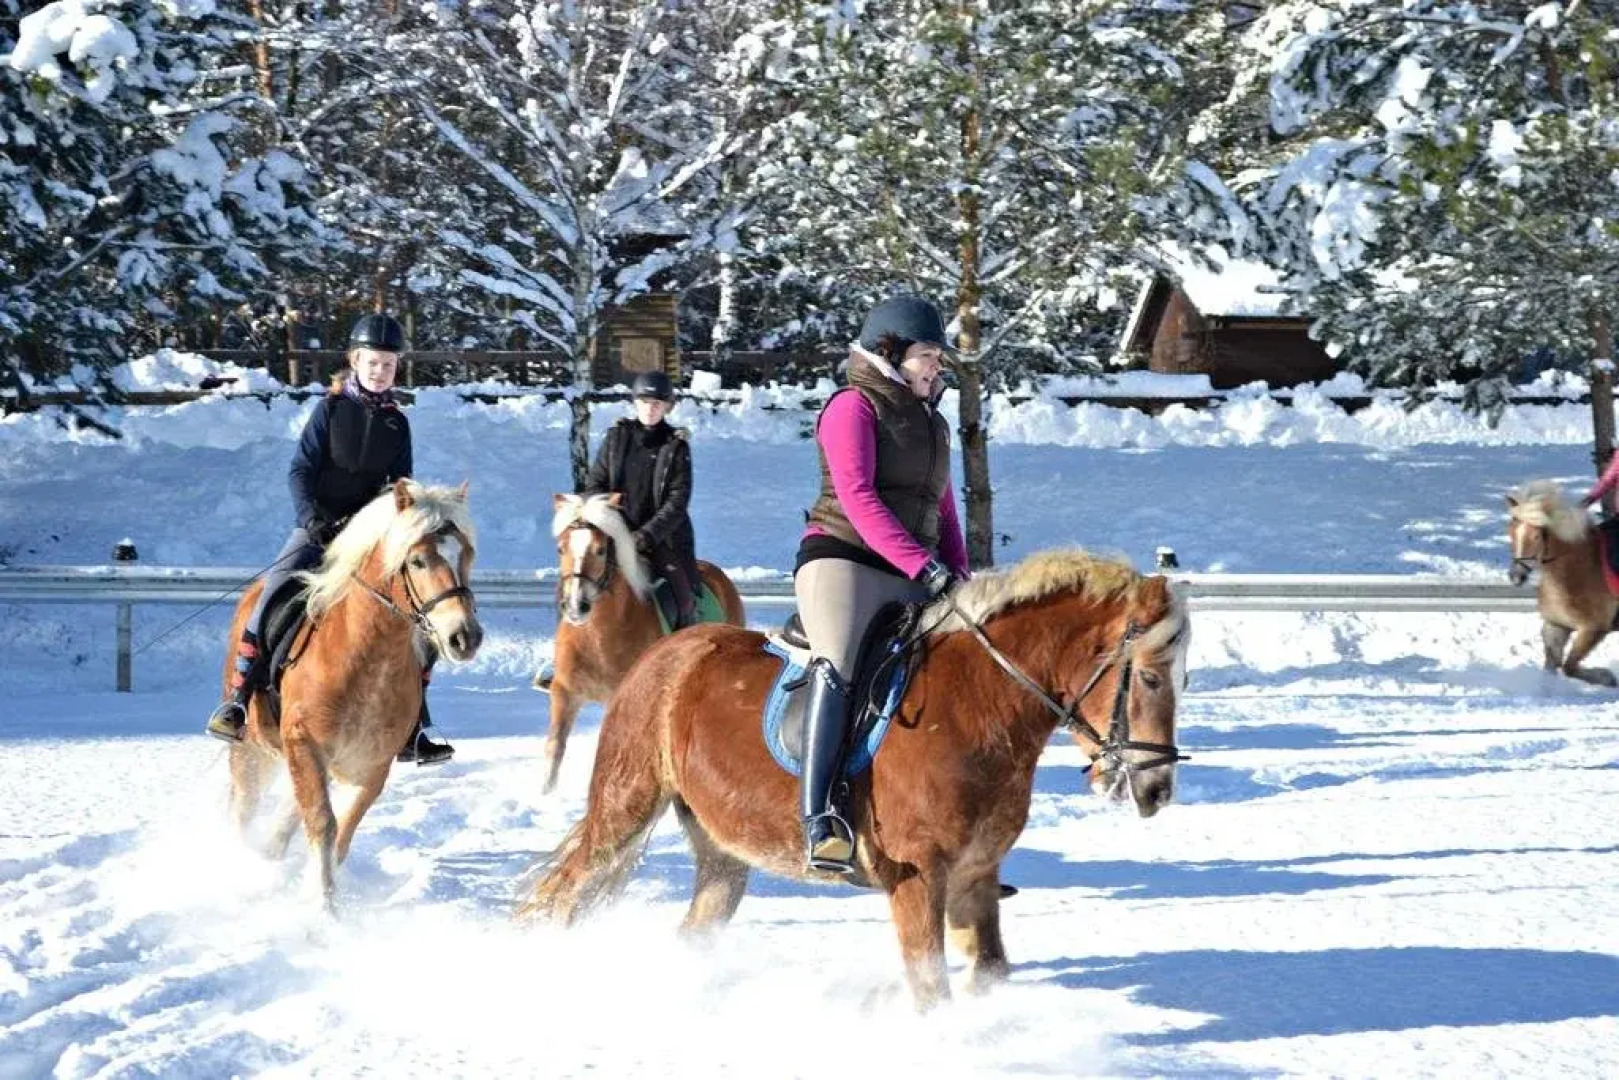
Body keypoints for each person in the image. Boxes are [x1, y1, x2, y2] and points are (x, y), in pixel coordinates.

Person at [204, 313, 454, 765]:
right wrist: (312, 517)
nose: (381, 371)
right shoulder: (331, 410)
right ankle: (239, 699)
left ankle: (417, 725)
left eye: (389, 364)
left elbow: (401, 487)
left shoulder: (398, 424)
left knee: (423, 618)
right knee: (275, 591)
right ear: (356, 361)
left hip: (369, 538)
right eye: (373, 362)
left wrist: (390, 525)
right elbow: (301, 469)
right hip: (317, 527)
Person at [794, 295, 971, 873]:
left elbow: (944, 514)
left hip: (913, 569)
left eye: (939, 359)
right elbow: (858, 499)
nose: (936, 368)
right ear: (892, 352)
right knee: (839, 666)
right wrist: (923, 567)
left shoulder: (934, 424)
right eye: (928, 357)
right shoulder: (852, 406)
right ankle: (820, 816)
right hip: (842, 559)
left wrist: (962, 580)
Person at [582, 371, 700, 630]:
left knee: (682, 596)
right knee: (575, 582)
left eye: (657, 403)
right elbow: (594, 484)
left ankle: (684, 639)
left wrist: (646, 536)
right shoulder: (616, 438)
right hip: (613, 534)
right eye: (645, 402)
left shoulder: (676, 446)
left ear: (667, 407)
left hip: (660, 539)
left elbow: (677, 501)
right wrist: (606, 516)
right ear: (635, 403)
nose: (650, 408)